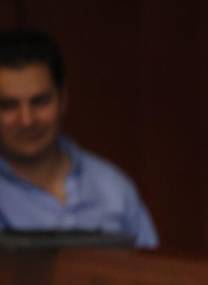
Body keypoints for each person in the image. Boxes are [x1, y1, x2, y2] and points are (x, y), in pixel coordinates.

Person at [0, 29, 157, 248]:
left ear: (63, 99)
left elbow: (151, 266)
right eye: (8, 105)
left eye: (40, 101)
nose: (27, 120)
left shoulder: (112, 188)